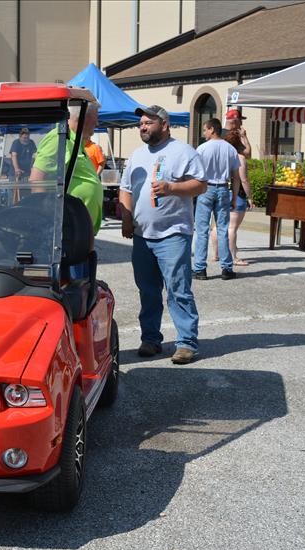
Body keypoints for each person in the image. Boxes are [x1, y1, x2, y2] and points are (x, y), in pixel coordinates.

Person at [118, 105, 207, 365]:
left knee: (178, 290)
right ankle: (150, 339)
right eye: (141, 124)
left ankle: (187, 343)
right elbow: (126, 188)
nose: (143, 127)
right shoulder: (137, 155)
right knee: (148, 291)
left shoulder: (183, 152)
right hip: (142, 235)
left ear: (165, 125)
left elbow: (201, 185)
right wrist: (126, 218)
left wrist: (172, 188)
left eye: (148, 123)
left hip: (173, 234)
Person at [30, 102, 103, 234]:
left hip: (78, 229)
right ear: (83, 117)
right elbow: (37, 180)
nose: (97, 124)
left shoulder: (76, 141)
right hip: (65, 230)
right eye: (96, 118)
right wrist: (49, 221)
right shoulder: (59, 137)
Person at [193, 118, 240, 281]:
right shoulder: (230, 149)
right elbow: (236, 177)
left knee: (202, 230)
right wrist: (234, 197)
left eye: (205, 129)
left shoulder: (202, 148)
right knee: (222, 229)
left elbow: (195, 173)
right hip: (223, 188)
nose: (204, 133)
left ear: (212, 129)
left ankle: (200, 269)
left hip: (206, 188)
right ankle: (226, 268)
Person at [215, 129, 254, 266]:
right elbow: (243, 179)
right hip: (237, 194)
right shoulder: (239, 158)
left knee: (218, 226)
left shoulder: (223, 156)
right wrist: (250, 197)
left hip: (221, 190)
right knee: (232, 227)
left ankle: (216, 254)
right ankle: (233, 256)